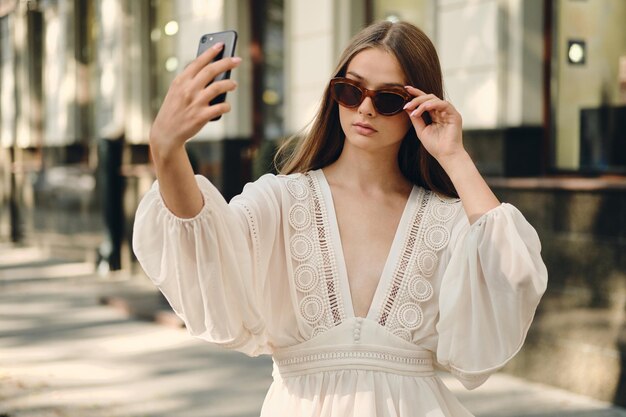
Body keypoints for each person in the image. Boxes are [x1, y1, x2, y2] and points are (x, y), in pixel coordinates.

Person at [133, 20, 548, 417]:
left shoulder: (447, 219)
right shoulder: (282, 199)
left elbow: (513, 273)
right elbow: (206, 245)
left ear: (417, 107)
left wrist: (454, 157)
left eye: (388, 100)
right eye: (350, 91)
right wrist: (166, 150)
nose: (365, 108)